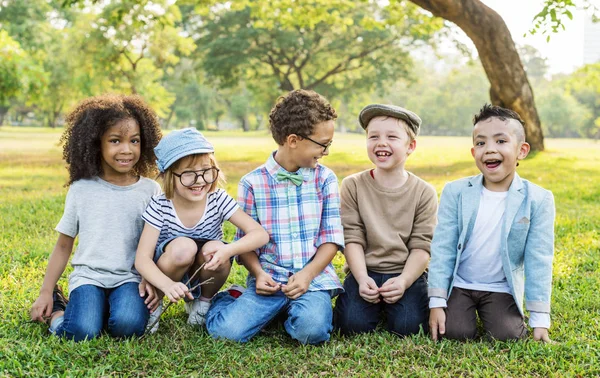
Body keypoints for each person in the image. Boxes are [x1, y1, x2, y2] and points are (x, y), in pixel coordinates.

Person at [206, 89, 344, 345]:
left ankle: (289, 312)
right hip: (268, 280)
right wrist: (258, 274)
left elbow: (331, 239)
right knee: (226, 333)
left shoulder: (325, 179)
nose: (326, 151)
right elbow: (245, 243)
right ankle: (232, 297)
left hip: (312, 281)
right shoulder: (252, 183)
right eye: (323, 144)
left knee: (311, 331)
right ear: (293, 140)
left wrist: (307, 275)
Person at [29, 94, 163, 341]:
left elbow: (154, 244)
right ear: (95, 144)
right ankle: (59, 311)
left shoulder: (150, 190)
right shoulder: (82, 189)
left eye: (134, 141)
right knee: (81, 332)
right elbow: (63, 245)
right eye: (115, 140)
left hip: (130, 278)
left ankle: (100, 310)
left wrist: (151, 280)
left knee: (128, 327)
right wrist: (46, 292)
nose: (126, 149)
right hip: (89, 277)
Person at [428, 104, 555, 342]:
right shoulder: (456, 192)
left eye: (500, 141)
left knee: (509, 335)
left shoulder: (538, 199)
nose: (489, 149)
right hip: (460, 284)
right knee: (455, 333)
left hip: (500, 287)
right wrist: (436, 302)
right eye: (481, 143)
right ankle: (457, 311)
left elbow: (539, 259)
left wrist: (539, 321)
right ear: (473, 151)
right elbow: (443, 247)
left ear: (522, 150)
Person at [135, 128, 269, 332]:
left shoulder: (218, 199)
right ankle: (156, 304)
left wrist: (228, 250)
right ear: (169, 174)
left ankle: (203, 302)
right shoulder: (160, 205)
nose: (200, 181)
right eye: (189, 174)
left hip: (203, 269)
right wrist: (165, 285)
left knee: (216, 248)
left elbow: (259, 234)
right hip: (170, 268)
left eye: (206, 171)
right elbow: (142, 259)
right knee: (183, 247)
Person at [333, 104, 437, 336]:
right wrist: (361, 278)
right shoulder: (353, 185)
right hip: (365, 269)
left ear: (410, 146)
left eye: (392, 137)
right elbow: (352, 237)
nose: (381, 143)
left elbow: (422, 246)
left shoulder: (424, 192)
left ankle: (397, 302)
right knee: (351, 325)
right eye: (373, 137)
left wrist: (404, 281)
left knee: (408, 327)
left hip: (406, 271)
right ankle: (371, 302)